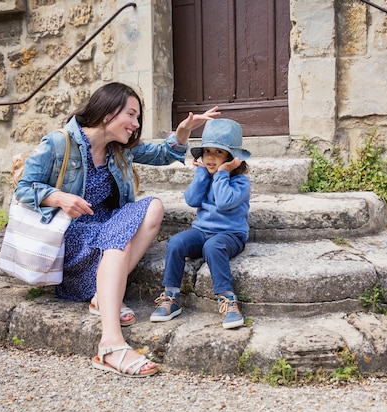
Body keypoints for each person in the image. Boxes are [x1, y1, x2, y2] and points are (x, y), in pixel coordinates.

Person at [14, 82, 219, 377]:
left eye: (138, 118)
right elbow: (24, 188)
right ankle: (110, 344)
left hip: (106, 229)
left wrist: (185, 130)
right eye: (132, 115)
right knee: (119, 237)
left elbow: (163, 153)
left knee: (153, 207)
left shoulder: (120, 149)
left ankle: (101, 295)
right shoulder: (59, 143)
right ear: (108, 113)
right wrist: (59, 197)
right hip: (74, 237)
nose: (136, 126)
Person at [150, 118, 251, 329]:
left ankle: (227, 299)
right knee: (176, 242)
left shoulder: (240, 182)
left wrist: (222, 173)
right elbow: (192, 200)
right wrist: (201, 174)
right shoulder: (205, 176)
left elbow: (224, 202)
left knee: (213, 247)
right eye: (207, 152)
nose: (211, 158)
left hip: (230, 235)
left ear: (232, 158)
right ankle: (172, 297)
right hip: (202, 231)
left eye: (218, 152)